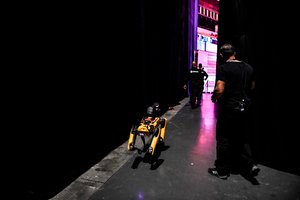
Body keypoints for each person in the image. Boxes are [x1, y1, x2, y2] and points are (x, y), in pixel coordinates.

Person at [209, 43, 260, 180]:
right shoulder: (249, 68)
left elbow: (220, 89)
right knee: (242, 138)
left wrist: (214, 97)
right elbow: (253, 86)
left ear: (221, 55)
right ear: (235, 53)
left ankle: (222, 171)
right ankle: (250, 164)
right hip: (244, 109)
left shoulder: (224, 68)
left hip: (229, 110)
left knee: (223, 139)